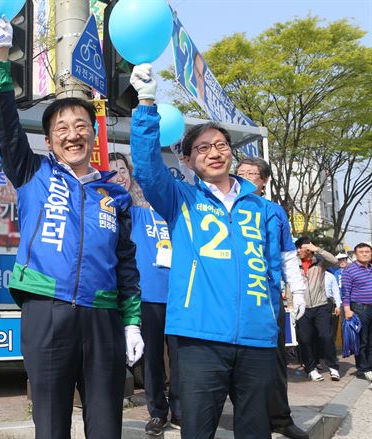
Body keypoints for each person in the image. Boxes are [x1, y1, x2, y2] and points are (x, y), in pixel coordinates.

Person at [0, 8, 142, 439]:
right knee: (50, 425)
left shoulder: (115, 193)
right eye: (62, 128)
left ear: (93, 134)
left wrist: (131, 321)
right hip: (46, 312)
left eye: (81, 126)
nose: (73, 134)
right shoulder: (32, 172)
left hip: (103, 315)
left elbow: (127, 264)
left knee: (106, 425)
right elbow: (4, 126)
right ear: (49, 139)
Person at [129, 63, 290, 439]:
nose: (214, 153)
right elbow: (148, 169)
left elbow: (272, 265)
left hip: (257, 338)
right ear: (187, 160)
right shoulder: (179, 199)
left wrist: (275, 306)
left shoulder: (262, 208)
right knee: (198, 429)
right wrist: (146, 103)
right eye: (202, 148)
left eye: (221, 145)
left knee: (254, 430)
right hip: (200, 339)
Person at [236, 157, 308, 439]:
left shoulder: (274, 211)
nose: (245, 178)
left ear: (264, 181)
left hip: (265, 298)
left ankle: (280, 417)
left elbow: (287, 254)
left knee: (274, 358)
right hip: (229, 296)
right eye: (240, 173)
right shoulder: (225, 206)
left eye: (251, 174)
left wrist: (298, 289)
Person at [109, 152, 181, 435]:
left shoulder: (170, 212)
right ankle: (157, 412)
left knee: (180, 358)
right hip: (147, 295)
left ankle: (180, 409)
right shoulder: (129, 212)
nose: (120, 175)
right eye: (113, 171)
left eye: (123, 169)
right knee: (151, 359)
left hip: (177, 294)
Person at [294, 237, 340, 382]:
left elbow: (335, 261)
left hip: (321, 305)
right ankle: (311, 368)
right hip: (302, 307)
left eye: (300, 247)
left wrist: (318, 250)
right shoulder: (293, 264)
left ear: (308, 248)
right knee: (305, 339)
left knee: (325, 336)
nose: (298, 251)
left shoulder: (320, 262)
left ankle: (333, 366)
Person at [342, 242, 372, 384]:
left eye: (367, 251)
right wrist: (347, 309)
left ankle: (370, 366)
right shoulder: (349, 270)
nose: (365, 254)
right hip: (359, 308)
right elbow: (345, 292)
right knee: (362, 340)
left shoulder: (371, 268)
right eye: (362, 252)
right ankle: (363, 368)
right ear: (356, 254)